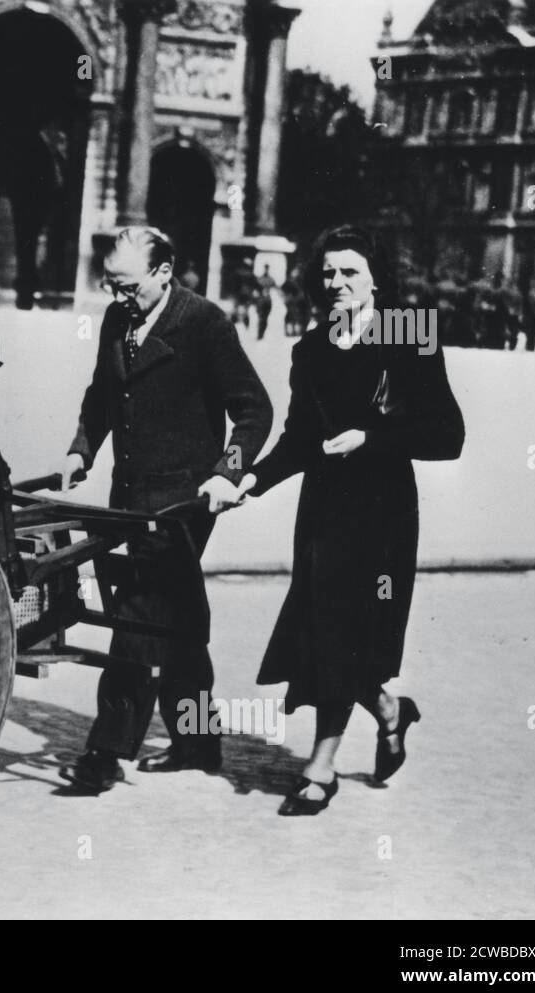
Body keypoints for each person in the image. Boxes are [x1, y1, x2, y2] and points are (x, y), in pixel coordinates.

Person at [236, 225, 464, 815]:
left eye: (350, 272)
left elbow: (448, 434)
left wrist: (372, 437)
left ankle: (320, 769)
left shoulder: (406, 333)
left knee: (341, 633)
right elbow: (297, 441)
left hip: (382, 511)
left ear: (376, 279)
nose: (336, 283)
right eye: (329, 273)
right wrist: (251, 480)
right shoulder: (310, 350)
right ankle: (389, 711)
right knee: (326, 633)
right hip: (323, 511)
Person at [57, 226, 273, 791]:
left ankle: (105, 752)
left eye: (128, 287)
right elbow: (103, 392)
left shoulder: (202, 322)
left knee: (137, 610)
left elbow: (254, 410)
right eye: (110, 287)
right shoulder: (118, 318)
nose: (118, 298)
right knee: (178, 617)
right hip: (128, 493)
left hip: (185, 498)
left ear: (163, 272)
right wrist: (83, 449)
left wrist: (229, 473)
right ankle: (197, 740)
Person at [256, 263, 277, 339]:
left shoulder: (271, 279)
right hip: (261, 301)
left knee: (265, 318)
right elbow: (255, 290)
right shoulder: (259, 279)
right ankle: (259, 334)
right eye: (265, 268)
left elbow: (276, 288)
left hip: (268, 301)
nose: (266, 270)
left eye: (267, 269)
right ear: (264, 269)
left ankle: (262, 333)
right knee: (261, 318)